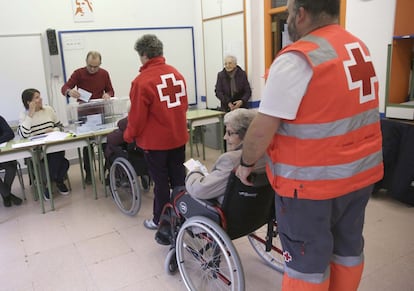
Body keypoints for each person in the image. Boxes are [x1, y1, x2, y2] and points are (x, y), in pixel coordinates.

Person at [236, 0, 383, 290]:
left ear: (301, 13)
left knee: (307, 267)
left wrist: (245, 163)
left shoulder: (298, 59)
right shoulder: (358, 48)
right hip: (360, 177)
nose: (289, 18)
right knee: (348, 250)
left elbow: (262, 129)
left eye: (289, 12)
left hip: (311, 186)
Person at [123, 34, 188, 230]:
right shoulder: (176, 74)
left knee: (160, 184)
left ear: (143, 55)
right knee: (179, 179)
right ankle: (183, 215)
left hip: (155, 144)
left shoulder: (142, 82)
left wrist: (128, 135)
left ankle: (160, 220)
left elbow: (137, 118)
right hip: (178, 137)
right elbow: (183, 107)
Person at [185, 108, 265, 204]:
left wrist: (195, 172)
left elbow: (199, 190)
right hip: (259, 208)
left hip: (230, 211)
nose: (225, 137)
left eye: (229, 133)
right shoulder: (268, 153)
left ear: (245, 134)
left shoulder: (230, 160)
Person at [61, 51, 115, 185]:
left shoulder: (104, 73)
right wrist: (69, 91)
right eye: (90, 66)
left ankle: (108, 170)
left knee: (105, 144)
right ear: (86, 62)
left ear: (100, 64)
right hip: (84, 114)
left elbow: (111, 90)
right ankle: (89, 174)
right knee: (87, 146)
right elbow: (64, 88)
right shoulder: (78, 73)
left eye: (96, 66)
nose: (93, 69)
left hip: (100, 113)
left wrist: (107, 95)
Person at [18, 88, 70, 200]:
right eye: (36, 97)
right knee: (64, 163)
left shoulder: (48, 110)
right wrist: (31, 115)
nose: (40, 99)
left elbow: (60, 126)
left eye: (39, 96)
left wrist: (54, 130)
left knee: (60, 157)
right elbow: (23, 134)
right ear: (29, 102)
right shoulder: (24, 115)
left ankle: (49, 184)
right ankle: (58, 181)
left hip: (54, 146)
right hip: (38, 151)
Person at [0, 115, 23, 207]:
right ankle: (7, 195)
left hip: (4, 155)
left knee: (11, 168)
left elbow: (10, 134)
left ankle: (6, 195)